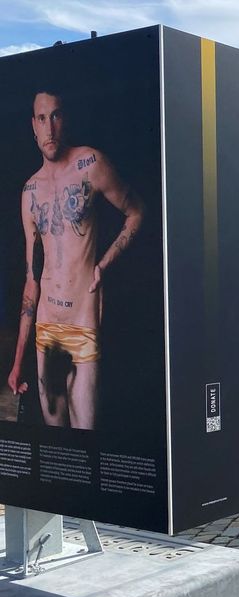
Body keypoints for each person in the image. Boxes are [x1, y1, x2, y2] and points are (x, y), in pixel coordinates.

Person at [7, 88, 144, 430]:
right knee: (57, 445)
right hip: (46, 327)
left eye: (55, 115)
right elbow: (31, 278)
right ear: (33, 126)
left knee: (86, 438)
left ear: (64, 119)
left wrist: (102, 265)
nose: (49, 128)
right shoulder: (29, 193)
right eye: (42, 118)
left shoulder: (90, 164)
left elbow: (137, 212)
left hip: (82, 319)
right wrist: (16, 361)